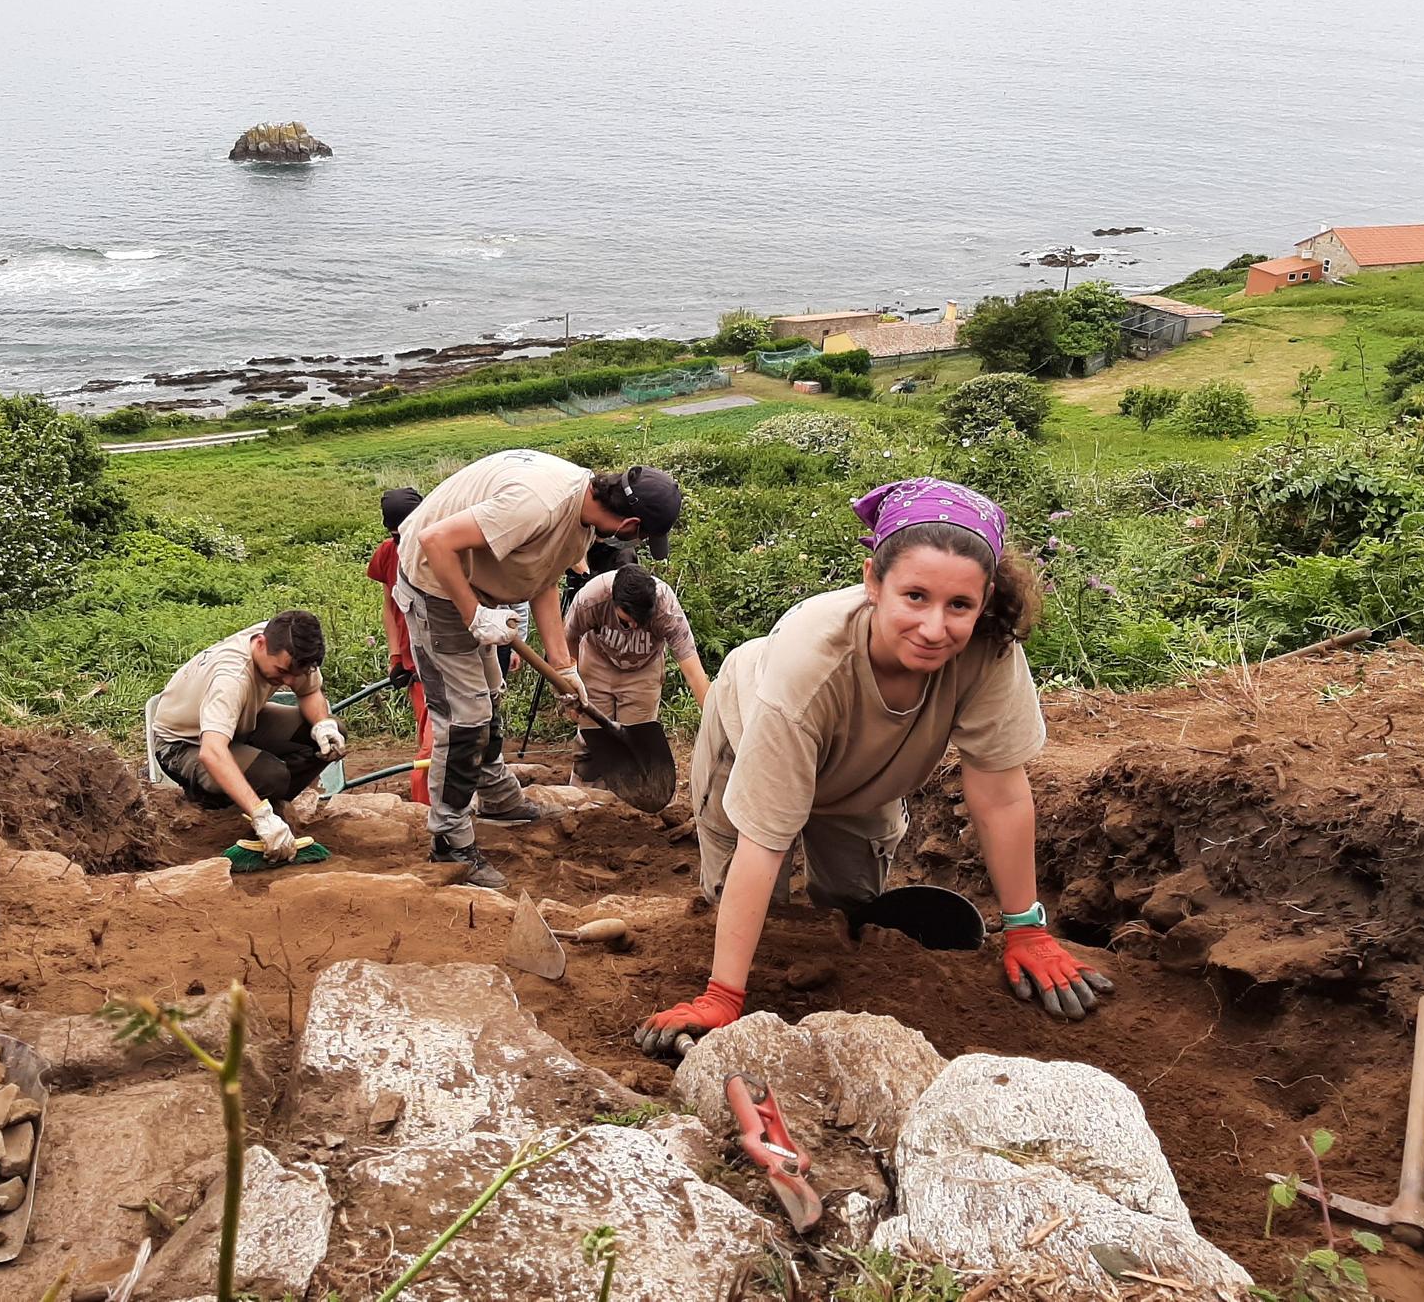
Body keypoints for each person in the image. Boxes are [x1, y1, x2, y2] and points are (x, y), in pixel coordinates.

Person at [635, 477, 1114, 1054]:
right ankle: (732, 965)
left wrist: (1026, 927)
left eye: (959, 605)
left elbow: (1000, 792)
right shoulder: (808, 671)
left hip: (866, 776)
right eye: (915, 596)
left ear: (983, 603)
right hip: (755, 731)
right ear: (873, 583)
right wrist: (723, 997)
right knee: (760, 908)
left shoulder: (989, 651)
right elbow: (764, 841)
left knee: (852, 908)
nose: (935, 628)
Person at [396, 449, 683, 890]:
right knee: (465, 720)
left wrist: (564, 667)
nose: (637, 547)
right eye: (643, 539)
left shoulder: (583, 518)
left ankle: (497, 800)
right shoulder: (538, 504)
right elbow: (435, 542)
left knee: (490, 700)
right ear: (629, 526)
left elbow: (542, 579)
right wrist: (473, 614)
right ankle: (449, 841)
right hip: (436, 583)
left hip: (477, 587)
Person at [149, 610, 346, 864]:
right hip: (184, 744)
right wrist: (260, 814)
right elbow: (212, 751)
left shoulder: (289, 643)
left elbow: (309, 692)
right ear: (261, 643)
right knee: (270, 775)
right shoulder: (231, 677)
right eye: (282, 671)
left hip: (241, 722)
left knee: (333, 731)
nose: (287, 682)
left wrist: (322, 725)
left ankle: (268, 802)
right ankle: (223, 806)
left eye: (294, 674)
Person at [564, 563, 710, 783]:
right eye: (626, 620)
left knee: (637, 742)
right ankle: (583, 798)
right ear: (613, 600)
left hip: (643, 671)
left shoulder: (667, 609)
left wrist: (713, 718)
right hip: (597, 663)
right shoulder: (592, 597)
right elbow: (568, 637)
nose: (633, 626)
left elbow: (693, 670)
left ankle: (627, 806)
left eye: (640, 622)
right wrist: (569, 684)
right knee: (593, 740)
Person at [366, 487, 431, 807]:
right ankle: (425, 812)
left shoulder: (441, 546)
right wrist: (395, 656)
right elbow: (390, 609)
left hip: (448, 658)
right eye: (394, 535)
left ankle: (435, 808)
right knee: (430, 742)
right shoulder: (387, 553)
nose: (400, 540)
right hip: (413, 662)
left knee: (444, 743)